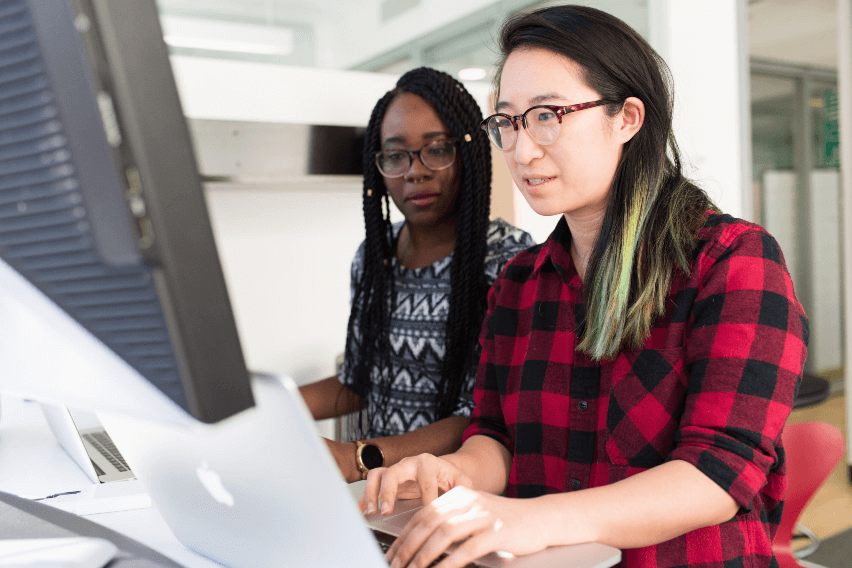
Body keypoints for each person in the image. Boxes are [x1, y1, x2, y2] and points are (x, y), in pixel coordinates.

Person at [359, 6, 808, 568]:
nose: (522, 151)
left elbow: (719, 472)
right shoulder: (519, 283)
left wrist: (532, 518)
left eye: (548, 115)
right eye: (508, 122)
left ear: (627, 119)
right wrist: (455, 471)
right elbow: (495, 434)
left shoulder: (732, 262)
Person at [300, 67, 534, 484]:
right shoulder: (375, 257)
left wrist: (358, 457)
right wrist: (269, 407)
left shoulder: (507, 260)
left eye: (437, 149)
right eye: (396, 155)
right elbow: (358, 380)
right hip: (380, 494)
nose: (415, 171)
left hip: (456, 494)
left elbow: (483, 416)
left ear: (467, 153)